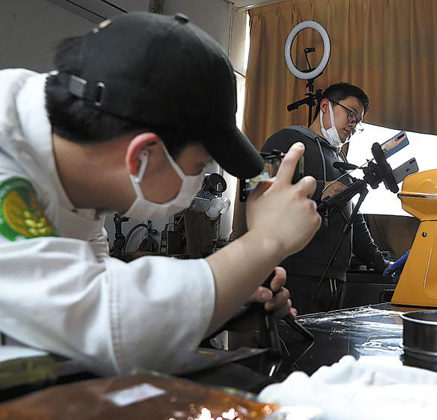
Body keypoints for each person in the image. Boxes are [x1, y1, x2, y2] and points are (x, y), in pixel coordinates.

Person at [0, 12, 321, 375]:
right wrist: (266, 242)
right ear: (141, 156)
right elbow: (105, 322)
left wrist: (225, 299)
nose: (199, 182)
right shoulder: (6, 160)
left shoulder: (72, 175)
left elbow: (85, 293)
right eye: (200, 167)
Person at [255, 83, 389, 314]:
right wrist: (319, 189)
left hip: (335, 279)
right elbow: (257, 188)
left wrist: (381, 265)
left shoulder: (341, 160)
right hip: (294, 274)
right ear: (325, 106)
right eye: (350, 114)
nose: (353, 124)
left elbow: (353, 220)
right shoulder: (289, 140)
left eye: (358, 121)